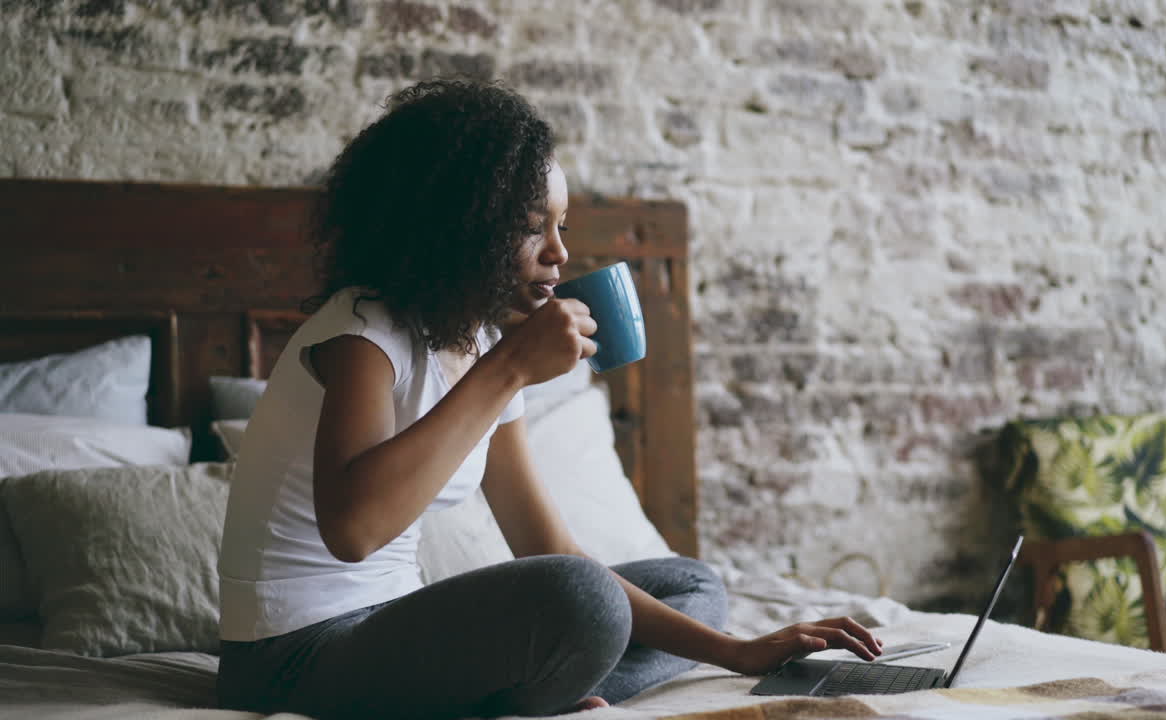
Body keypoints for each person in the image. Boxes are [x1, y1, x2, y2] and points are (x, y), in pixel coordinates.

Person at [215, 78, 883, 720]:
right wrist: (509, 368)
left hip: (389, 632)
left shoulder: (476, 339)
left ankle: (538, 691)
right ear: (459, 226)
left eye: (561, 226)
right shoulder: (363, 330)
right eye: (535, 228)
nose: (559, 253)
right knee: (583, 602)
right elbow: (352, 530)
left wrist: (739, 654)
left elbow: (542, 542)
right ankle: (538, 692)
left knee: (691, 588)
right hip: (291, 655)